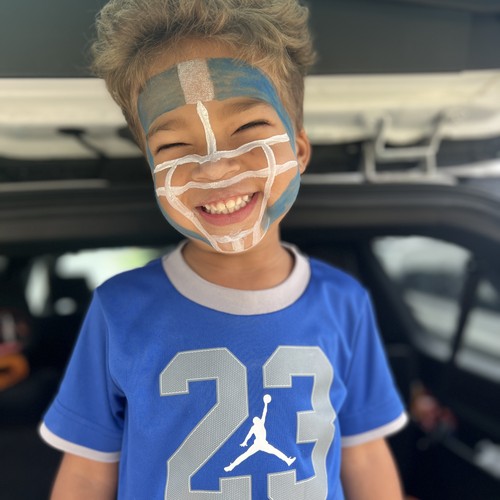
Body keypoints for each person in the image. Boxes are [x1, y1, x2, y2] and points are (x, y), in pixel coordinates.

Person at [39, 1, 408, 498]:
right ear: (152, 171)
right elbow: (87, 472)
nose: (214, 169)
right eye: (174, 148)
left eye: (248, 130)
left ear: (299, 149)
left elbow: (364, 454)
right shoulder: (118, 310)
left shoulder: (345, 304)